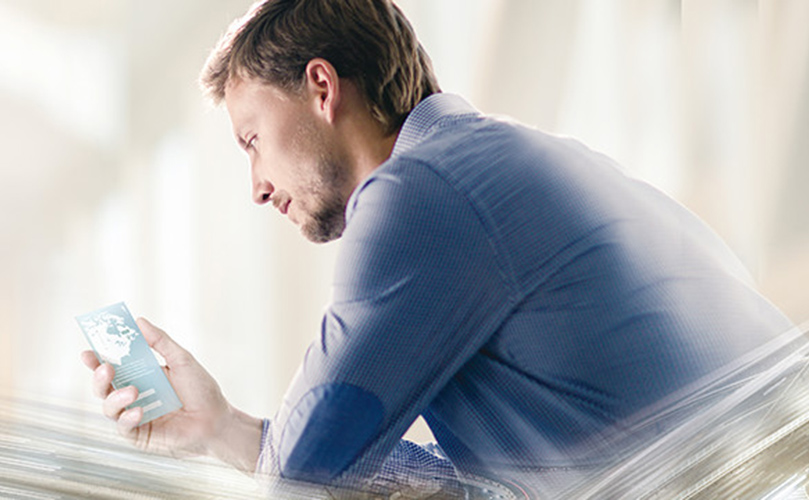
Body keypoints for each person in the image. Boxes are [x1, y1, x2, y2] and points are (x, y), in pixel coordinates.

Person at [82, 0, 794, 497]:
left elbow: (301, 475)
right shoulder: (513, 162)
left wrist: (263, 453)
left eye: (252, 141)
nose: (256, 187)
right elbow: (462, 489)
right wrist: (221, 429)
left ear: (321, 87)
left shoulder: (419, 192)